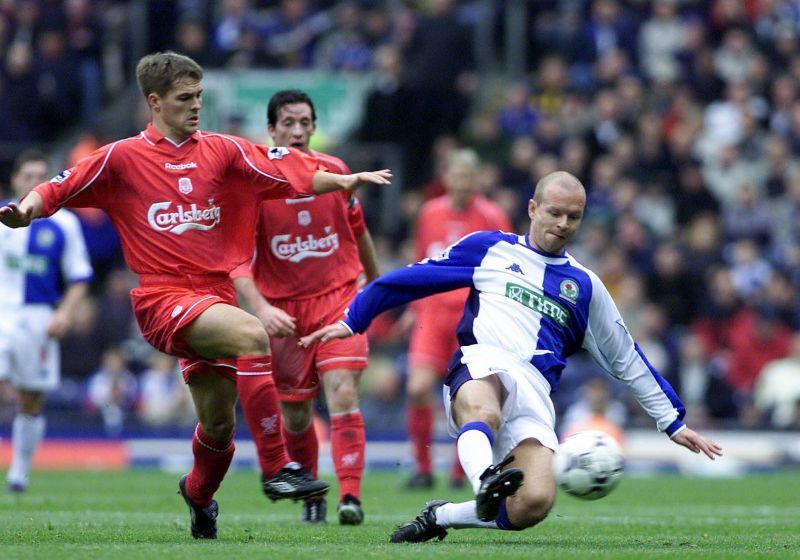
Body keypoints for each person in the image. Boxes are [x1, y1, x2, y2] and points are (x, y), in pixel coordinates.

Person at [0, 51, 391, 539]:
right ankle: (276, 469)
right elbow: (59, 186)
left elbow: (288, 169)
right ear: (155, 102)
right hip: (163, 299)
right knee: (253, 336)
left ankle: (199, 494)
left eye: (200, 96)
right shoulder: (122, 158)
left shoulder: (223, 151)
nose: (196, 105)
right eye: (185, 98)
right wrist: (24, 211)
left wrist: (342, 179)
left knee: (218, 425)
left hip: (213, 298)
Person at [300, 171, 723, 542]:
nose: (562, 224)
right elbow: (410, 280)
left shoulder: (586, 286)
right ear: (533, 208)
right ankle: (485, 478)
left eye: (573, 217)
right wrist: (354, 319)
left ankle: (441, 515)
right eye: (554, 212)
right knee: (487, 405)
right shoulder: (489, 248)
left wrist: (672, 421)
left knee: (533, 503)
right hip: (483, 363)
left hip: (535, 392)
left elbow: (626, 357)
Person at [232, 89, 379, 525]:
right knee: (295, 416)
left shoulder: (336, 172)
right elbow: (236, 258)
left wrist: (376, 285)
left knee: (343, 392)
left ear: (315, 127)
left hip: (338, 300)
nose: (298, 131)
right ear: (272, 130)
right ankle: (312, 489)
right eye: (288, 123)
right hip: (284, 313)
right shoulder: (255, 184)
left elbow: (358, 230)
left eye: (305, 123)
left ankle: (350, 497)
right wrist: (259, 308)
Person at [403, 148, 511, 489]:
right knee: (419, 388)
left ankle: (458, 470)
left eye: (469, 177)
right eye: (457, 176)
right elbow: (421, 260)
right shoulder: (429, 213)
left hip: (472, 315)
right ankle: (422, 468)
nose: (462, 183)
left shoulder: (492, 216)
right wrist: (411, 305)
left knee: (467, 394)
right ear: (446, 177)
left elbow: (508, 267)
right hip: (432, 314)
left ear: (478, 179)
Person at [0, 149, 93, 493]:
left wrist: (65, 313)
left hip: (39, 318)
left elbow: (79, 276)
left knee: (31, 399)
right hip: (2, 313)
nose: (33, 182)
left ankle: (19, 473)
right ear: (15, 180)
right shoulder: (1, 217)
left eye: (41, 176)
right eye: (28, 176)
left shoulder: (64, 223)